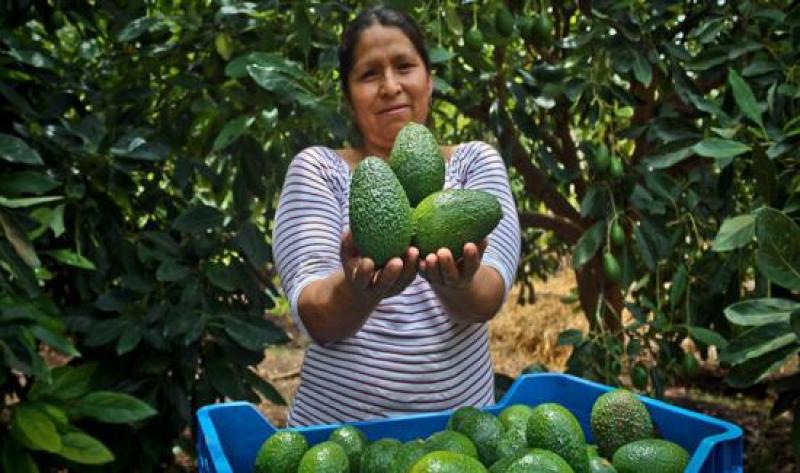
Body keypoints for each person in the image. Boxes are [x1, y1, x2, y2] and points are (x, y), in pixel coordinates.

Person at [272, 5, 521, 427]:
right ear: (349, 95)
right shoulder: (318, 170)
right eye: (369, 74)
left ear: (429, 78)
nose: (391, 86)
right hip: (337, 440)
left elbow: (488, 298)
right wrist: (358, 292)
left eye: (404, 66)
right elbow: (315, 315)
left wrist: (458, 283)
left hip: (460, 438)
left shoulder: (475, 163)